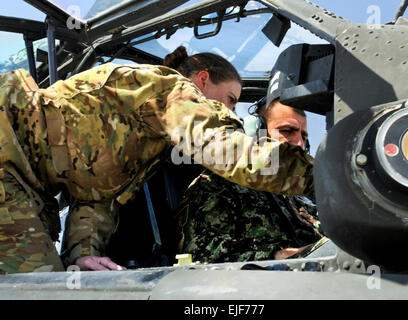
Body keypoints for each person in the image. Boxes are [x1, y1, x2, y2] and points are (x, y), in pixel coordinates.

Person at [0, 46, 314, 273]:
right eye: (230, 99)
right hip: (7, 143)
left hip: (21, 178)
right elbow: (230, 153)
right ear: (202, 80)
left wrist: (83, 253)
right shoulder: (169, 89)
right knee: (39, 285)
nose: (230, 111)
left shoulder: (146, 145)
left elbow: (96, 198)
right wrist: (325, 178)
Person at [176, 99, 325, 263]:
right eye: (288, 131)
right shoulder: (216, 185)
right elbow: (200, 258)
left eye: (304, 136)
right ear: (257, 133)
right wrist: (277, 256)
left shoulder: (298, 196)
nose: (300, 144)